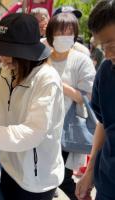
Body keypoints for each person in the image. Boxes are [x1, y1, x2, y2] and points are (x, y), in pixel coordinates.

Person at [0, 13, 65, 200]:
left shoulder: (46, 79)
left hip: (35, 179)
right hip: (9, 165)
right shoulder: (8, 71)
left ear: (27, 53)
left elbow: (32, 133)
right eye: (2, 51)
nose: (3, 59)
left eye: (9, 53)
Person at [46, 13, 96, 200]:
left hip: (65, 130)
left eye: (69, 31)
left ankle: (78, 196)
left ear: (75, 35)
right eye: (60, 31)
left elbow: (87, 97)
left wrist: (57, 82)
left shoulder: (81, 60)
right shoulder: (43, 57)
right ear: (51, 34)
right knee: (45, 173)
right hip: (42, 126)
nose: (64, 35)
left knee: (61, 176)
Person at [76, 1, 115, 199]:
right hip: (108, 184)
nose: (107, 55)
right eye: (102, 47)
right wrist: (90, 171)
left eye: (112, 46)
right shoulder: (106, 73)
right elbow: (104, 123)